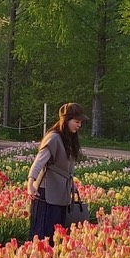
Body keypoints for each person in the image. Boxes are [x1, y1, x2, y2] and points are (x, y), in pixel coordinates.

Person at [26, 103, 86, 241]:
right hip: (47, 191)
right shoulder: (54, 138)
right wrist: (30, 183)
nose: (79, 125)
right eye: (76, 122)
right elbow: (39, 162)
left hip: (61, 191)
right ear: (66, 120)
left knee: (56, 233)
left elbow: (66, 167)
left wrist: (71, 184)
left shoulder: (69, 138)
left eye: (80, 122)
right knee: (44, 232)